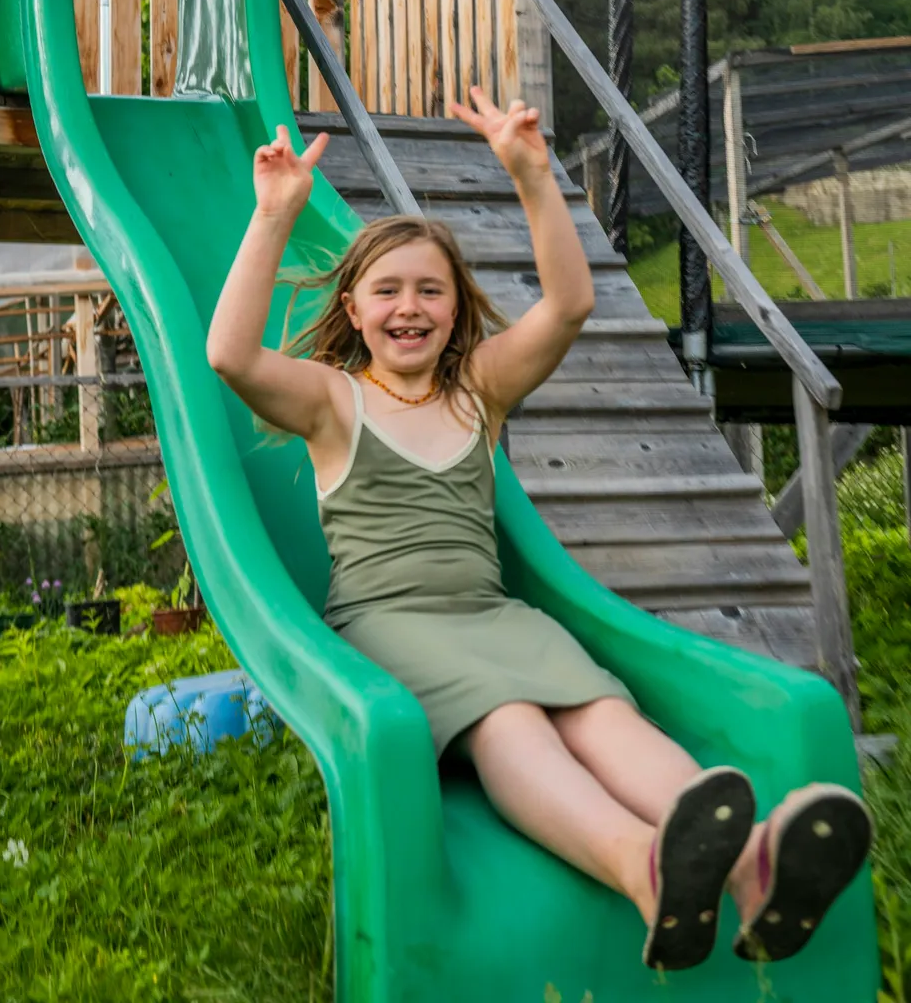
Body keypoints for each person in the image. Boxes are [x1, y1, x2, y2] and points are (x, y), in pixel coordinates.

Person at [206, 86, 872, 971]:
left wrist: (531, 176)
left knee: (600, 713)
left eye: (431, 291)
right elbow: (230, 355)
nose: (410, 306)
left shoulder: (476, 391)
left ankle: (751, 871)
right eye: (388, 291)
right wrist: (275, 215)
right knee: (512, 720)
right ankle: (644, 871)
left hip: (495, 616)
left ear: (454, 309)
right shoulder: (334, 401)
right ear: (356, 309)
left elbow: (564, 306)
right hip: (390, 623)